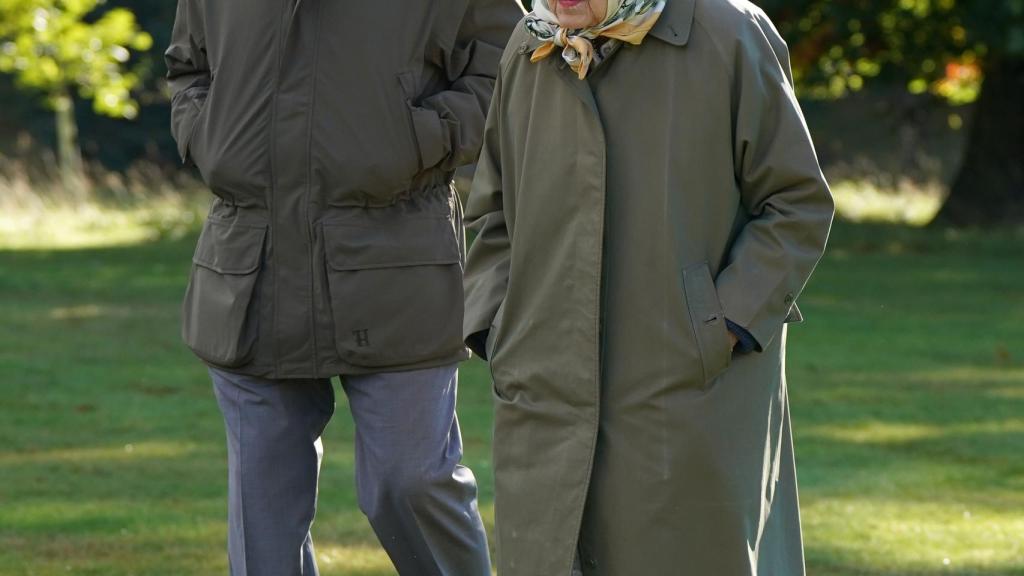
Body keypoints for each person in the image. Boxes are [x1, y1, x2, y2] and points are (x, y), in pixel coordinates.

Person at [463, 0, 835, 574]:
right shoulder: (529, 43)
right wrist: (499, 326)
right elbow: (493, 210)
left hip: (687, 387)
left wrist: (720, 326)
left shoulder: (728, 33)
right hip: (543, 385)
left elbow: (795, 203)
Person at [165, 1, 521, 574]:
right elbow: (188, 67)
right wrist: (212, 139)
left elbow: (508, 67)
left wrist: (411, 138)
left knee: (409, 482)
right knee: (263, 519)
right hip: (250, 262)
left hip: (398, 257)